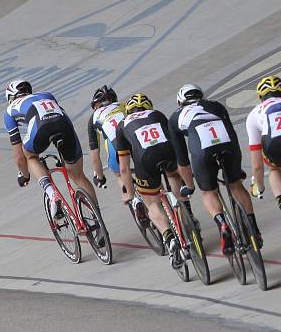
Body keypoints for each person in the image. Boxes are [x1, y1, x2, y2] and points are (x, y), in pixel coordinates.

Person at [168, 83, 262, 255]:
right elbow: (231, 134)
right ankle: (253, 229)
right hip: (228, 146)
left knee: (209, 192)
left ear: (180, 102)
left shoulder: (175, 118)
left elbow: (182, 160)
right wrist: (237, 169)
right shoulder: (216, 106)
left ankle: (222, 224)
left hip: (202, 151)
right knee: (236, 185)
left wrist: (189, 186)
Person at [3, 80, 98, 219]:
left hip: (40, 127)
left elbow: (18, 157)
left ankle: (51, 193)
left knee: (29, 156)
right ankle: (98, 219)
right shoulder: (46, 94)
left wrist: (24, 175)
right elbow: (55, 116)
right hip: (65, 125)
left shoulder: (9, 111)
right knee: (78, 176)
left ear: (11, 98)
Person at [114, 93, 184, 267]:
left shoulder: (122, 125)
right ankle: (184, 211)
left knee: (152, 203)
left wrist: (131, 196)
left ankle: (169, 238)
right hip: (168, 152)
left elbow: (123, 168)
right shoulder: (157, 114)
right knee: (173, 175)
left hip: (145, 159)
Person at [245, 76, 281, 243]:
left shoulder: (255, 113)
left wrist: (258, 187)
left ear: (261, 97)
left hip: (275, 145)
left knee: (275, 169)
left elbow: (257, 164)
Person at [87, 85, 128, 201]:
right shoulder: (123, 105)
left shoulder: (93, 118)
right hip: (134, 138)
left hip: (114, 147)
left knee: (119, 174)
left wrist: (100, 178)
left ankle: (132, 198)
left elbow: (95, 157)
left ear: (95, 106)